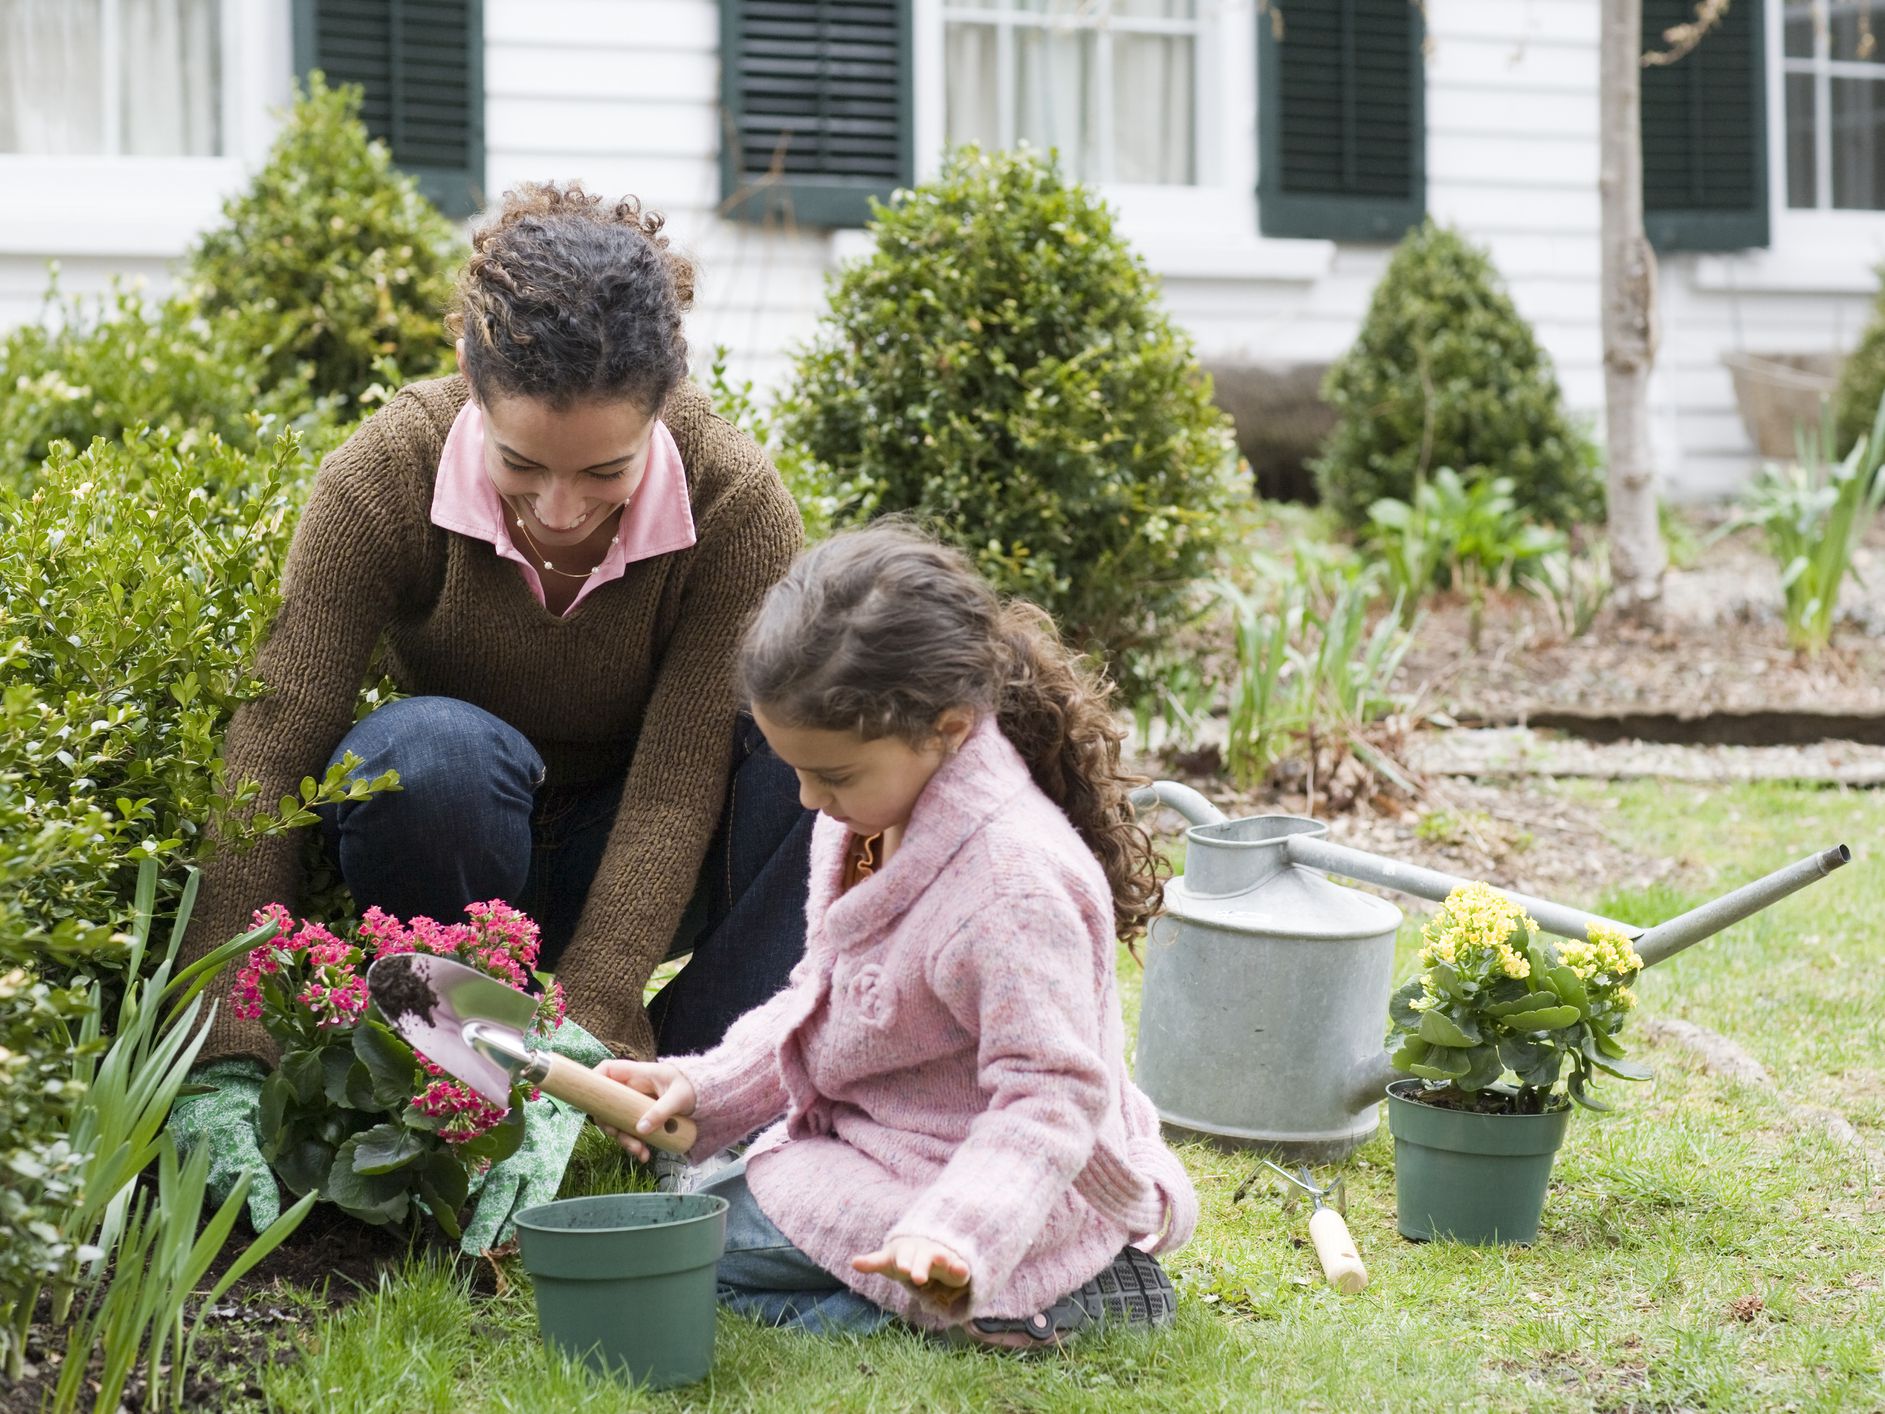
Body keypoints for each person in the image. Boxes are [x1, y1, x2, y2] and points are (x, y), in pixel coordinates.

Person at [173, 183, 812, 1237]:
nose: (559, 511)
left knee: (812, 769)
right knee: (421, 755)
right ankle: (458, 1047)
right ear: (472, 384)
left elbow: (676, 784)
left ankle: (692, 1085)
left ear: (663, 405)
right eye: (521, 464)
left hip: (639, 845)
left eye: (605, 472)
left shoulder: (736, 504)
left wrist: (594, 1026)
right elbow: (273, 738)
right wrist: (224, 1034)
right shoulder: (383, 471)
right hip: (460, 849)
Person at [597, 524, 1198, 1347]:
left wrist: (961, 1230)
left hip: (1003, 1189)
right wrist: (704, 1093)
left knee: (694, 1251)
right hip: (886, 1148)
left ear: (948, 728)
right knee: (693, 1235)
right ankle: (935, 1303)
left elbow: (1051, 1097)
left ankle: (1053, 1292)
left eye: (832, 775)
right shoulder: (873, 814)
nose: (808, 800)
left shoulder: (1010, 888)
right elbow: (825, 993)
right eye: (795, 770)